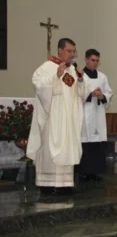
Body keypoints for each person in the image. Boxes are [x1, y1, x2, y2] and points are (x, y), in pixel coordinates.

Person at [27, 38, 86, 195]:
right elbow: (38, 84)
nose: (72, 54)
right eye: (69, 51)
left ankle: (65, 183)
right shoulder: (46, 67)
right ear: (60, 50)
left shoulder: (72, 70)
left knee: (67, 147)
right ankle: (47, 183)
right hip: (53, 118)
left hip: (67, 120)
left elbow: (78, 94)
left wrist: (80, 79)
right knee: (51, 146)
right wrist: (55, 77)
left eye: (74, 51)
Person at [75, 49, 113, 182]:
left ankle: (95, 171)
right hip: (85, 112)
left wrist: (102, 95)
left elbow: (109, 92)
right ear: (86, 59)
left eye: (97, 61)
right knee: (85, 142)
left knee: (97, 144)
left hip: (98, 114)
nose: (95, 63)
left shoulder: (102, 77)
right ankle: (83, 171)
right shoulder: (79, 76)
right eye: (93, 60)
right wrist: (90, 94)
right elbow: (76, 94)